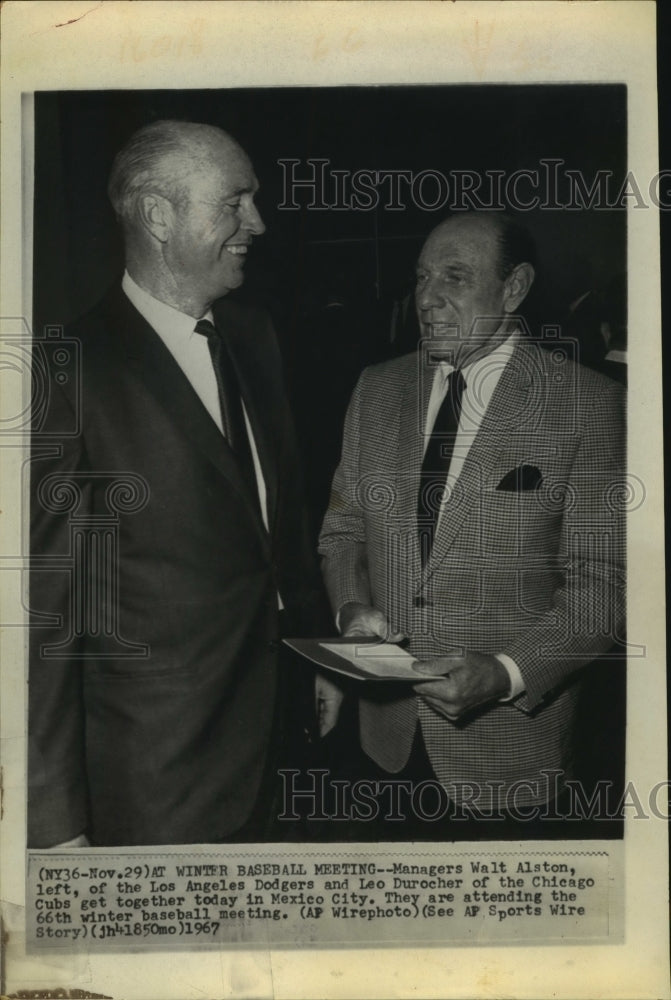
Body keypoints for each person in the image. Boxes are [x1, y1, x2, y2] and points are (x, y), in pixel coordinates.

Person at [29, 120, 326, 848]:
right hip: (153, 783)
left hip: (279, 754)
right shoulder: (63, 369)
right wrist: (53, 819)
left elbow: (275, 535)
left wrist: (322, 648)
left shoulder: (256, 337)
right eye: (235, 201)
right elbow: (46, 611)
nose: (257, 221)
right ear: (159, 216)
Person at [317, 212, 625, 838]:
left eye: (454, 277)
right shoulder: (376, 388)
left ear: (513, 289)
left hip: (510, 752)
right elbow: (343, 530)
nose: (427, 298)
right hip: (386, 746)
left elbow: (607, 586)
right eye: (422, 277)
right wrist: (352, 607)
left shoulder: (588, 402)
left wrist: (509, 671)